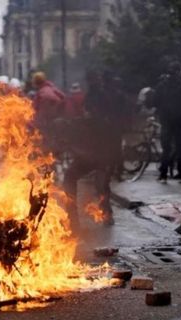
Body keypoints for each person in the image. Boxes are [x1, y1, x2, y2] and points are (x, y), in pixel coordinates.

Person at [60, 71, 114, 230]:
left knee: (98, 182)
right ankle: (78, 218)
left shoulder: (100, 97)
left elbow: (99, 121)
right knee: (99, 182)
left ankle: (75, 218)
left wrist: (86, 120)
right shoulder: (96, 95)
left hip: (99, 150)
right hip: (98, 150)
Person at [149, 62, 181, 183]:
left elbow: (154, 101)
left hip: (166, 119)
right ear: (178, 71)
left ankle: (163, 173)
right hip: (180, 119)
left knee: (166, 147)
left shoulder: (161, 85)